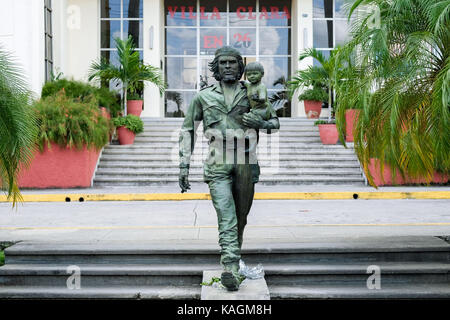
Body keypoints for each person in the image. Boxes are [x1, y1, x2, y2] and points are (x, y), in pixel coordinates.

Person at [178, 46, 280, 291]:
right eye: (222, 63)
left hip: (246, 160)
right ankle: (231, 267)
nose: (227, 67)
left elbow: (274, 123)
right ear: (216, 67)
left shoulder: (253, 92)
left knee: (241, 217)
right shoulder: (204, 97)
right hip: (218, 161)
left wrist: (261, 122)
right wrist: (184, 164)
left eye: (232, 63)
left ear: (240, 66)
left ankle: (234, 258)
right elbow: (188, 130)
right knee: (227, 215)